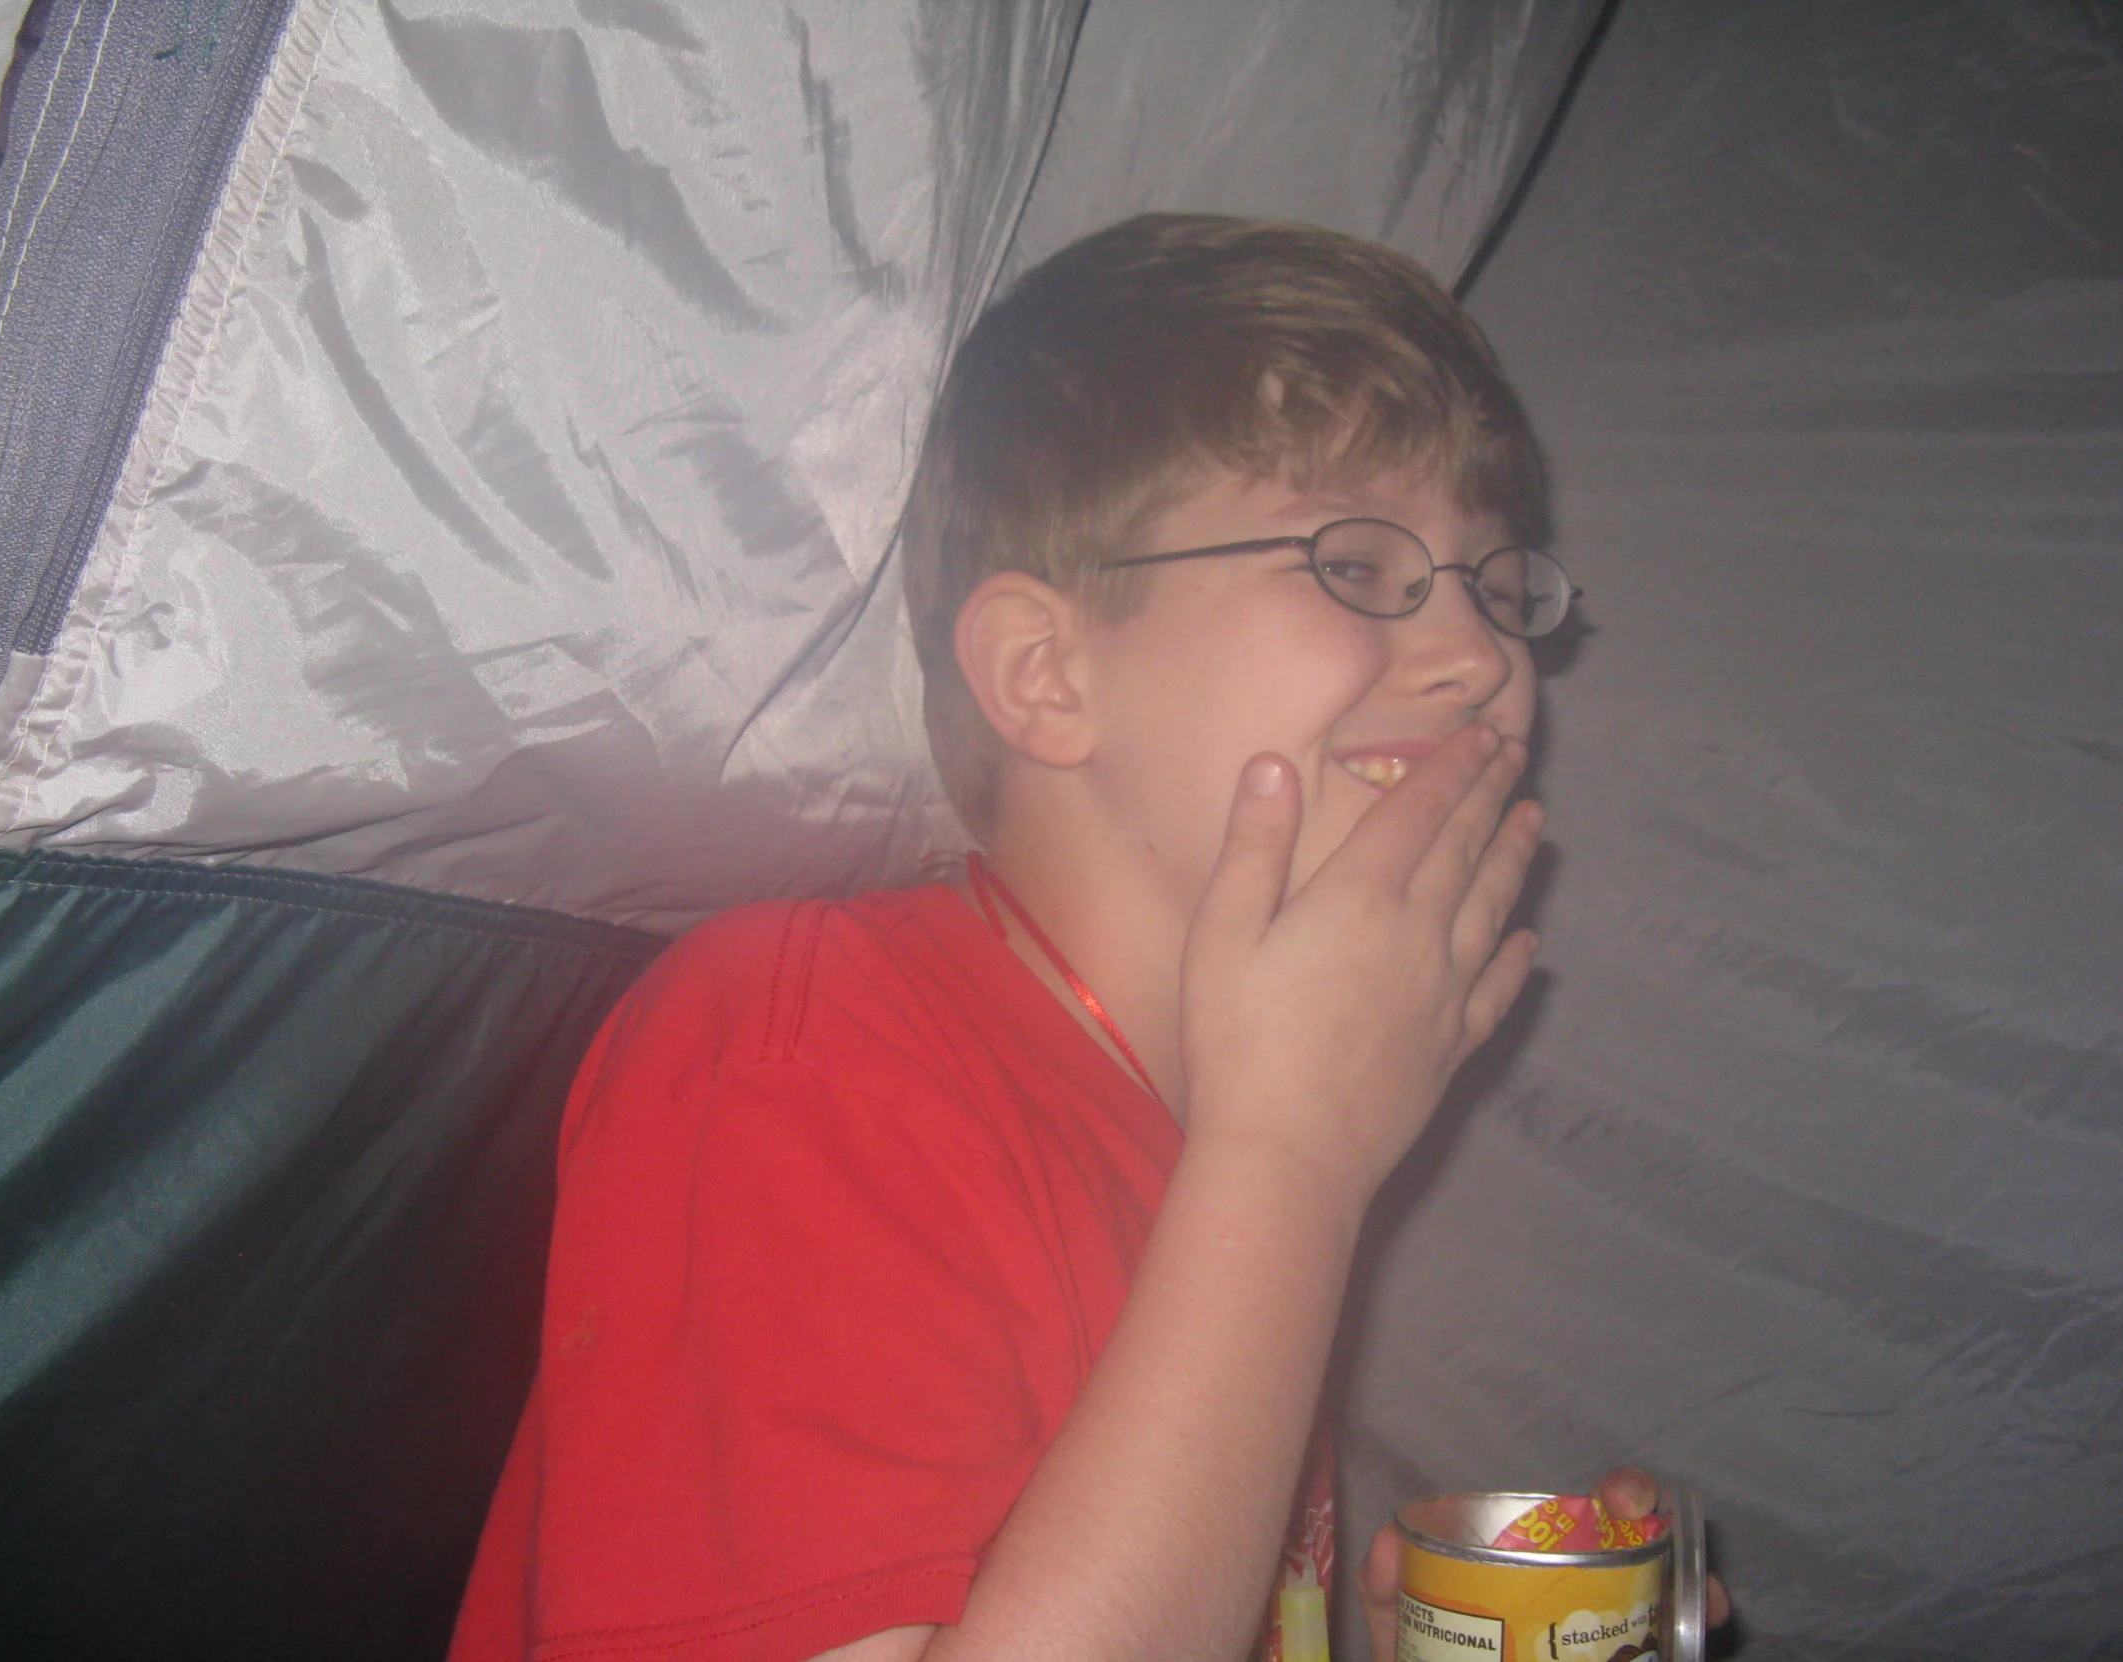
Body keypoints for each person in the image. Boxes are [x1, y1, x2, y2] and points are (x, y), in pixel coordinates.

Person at [450, 214, 1716, 1662]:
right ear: (1048, 674)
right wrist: (1292, 1161)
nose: (1487, 657)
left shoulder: (1208, 1168)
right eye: (1361, 566)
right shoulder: (800, 1043)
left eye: (1502, 588)